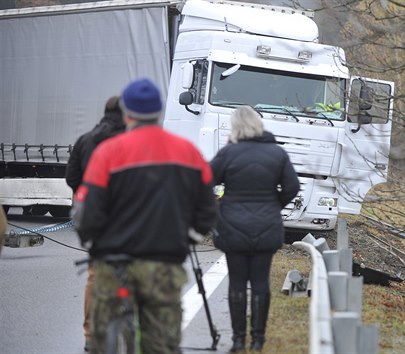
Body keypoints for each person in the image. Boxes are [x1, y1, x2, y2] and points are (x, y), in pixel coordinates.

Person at [72, 78, 217, 354]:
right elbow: (208, 208)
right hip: (163, 264)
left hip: (114, 263)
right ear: (160, 111)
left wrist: (92, 241)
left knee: (103, 340)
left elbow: (86, 210)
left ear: (127, 113)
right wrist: (189, 236)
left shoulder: (108, 153)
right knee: (160, 342)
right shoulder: (188, 152)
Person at [210, 106, 300, 352]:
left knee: (237, 283)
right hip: (266, 226)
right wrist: (274, 205)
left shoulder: (228, 153)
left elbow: (204, 181)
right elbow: (292, 187)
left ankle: (238, 340)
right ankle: (258, 340)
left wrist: (217, 209)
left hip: (232, 227)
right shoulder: (277, 154)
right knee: (260, 282)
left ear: (235, 126)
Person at [65, 95, 125, 352]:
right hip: (125, 218)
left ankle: (90, 333)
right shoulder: (128, 142)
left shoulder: (85, 140)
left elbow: (71, 178)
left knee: (95, 275)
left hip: (94, 219)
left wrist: (86, 198)